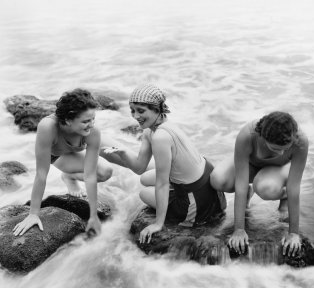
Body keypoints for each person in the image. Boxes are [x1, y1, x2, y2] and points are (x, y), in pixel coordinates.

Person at [101, 84, 225, 244]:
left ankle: (181, 206)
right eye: (132, 110)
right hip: (207, 181)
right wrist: (123, 153)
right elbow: (139, 168)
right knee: (145, 178)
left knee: (144, 194)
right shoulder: (150, 130)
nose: (135, 115)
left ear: (157, 109)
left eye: (141, 110)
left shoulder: (161, 137)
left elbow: (162, 183)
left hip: (199, 200)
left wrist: (158, 224)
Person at [13, 88, 113, 236]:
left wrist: (93, 216)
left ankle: (70, 177)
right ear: (67, 120)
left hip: (73, 151)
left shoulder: (93, 131)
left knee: (106, 171)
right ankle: (68, 175)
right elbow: (41, 174)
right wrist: (33, 214)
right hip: (57, 155)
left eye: (93, 119)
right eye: (86, 121)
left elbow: (90, 175)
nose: (91, 125)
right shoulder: (47, 127)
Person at [210, 111, 308, 257]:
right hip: (250, 165)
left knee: (265, 188)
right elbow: (241, 183)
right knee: (218, 180)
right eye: (275, 148)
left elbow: (294, 187)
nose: (281, 153)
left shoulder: (300, 141)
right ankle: (250, 193)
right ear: (262, 136)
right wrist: (239, 229)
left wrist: (294, 233)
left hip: (277, 170)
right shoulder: (247, 135)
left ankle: (283, 194)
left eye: (286, 149)